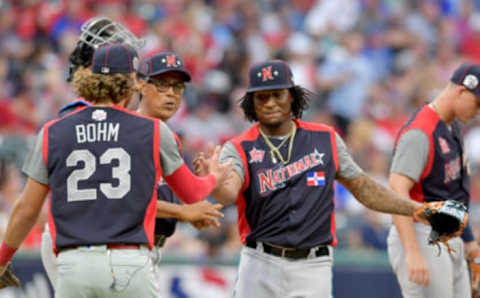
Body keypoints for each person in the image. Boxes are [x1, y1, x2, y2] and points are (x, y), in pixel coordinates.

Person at [0, 43, 231, 297]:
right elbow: (193, 194)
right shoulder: (151, 130)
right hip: (129, 262)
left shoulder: (52, 132)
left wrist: (2, 261)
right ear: (134, 82)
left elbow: (26, 210)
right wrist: (213, 177)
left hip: (75, 264)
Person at [193, 59, 428, 298]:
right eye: (262, 97)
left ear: (292, 96)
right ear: (252, 102)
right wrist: (213, 182)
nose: (271, 103)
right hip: (259, 262)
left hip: (312, 265)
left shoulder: (326, 139)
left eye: (277, 94)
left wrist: (416, 209)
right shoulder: (240, 146)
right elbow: (228, 193)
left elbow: (364, 189)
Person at [387, 63, 480, 298]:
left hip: (451, 234)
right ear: (461, 91)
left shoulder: (453, 127)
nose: (478, 110)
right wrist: (412, 251)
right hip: (422, 233)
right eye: (478, 102)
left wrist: (468, 240)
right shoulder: (420, 132)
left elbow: (454, 191)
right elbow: (397, 191)